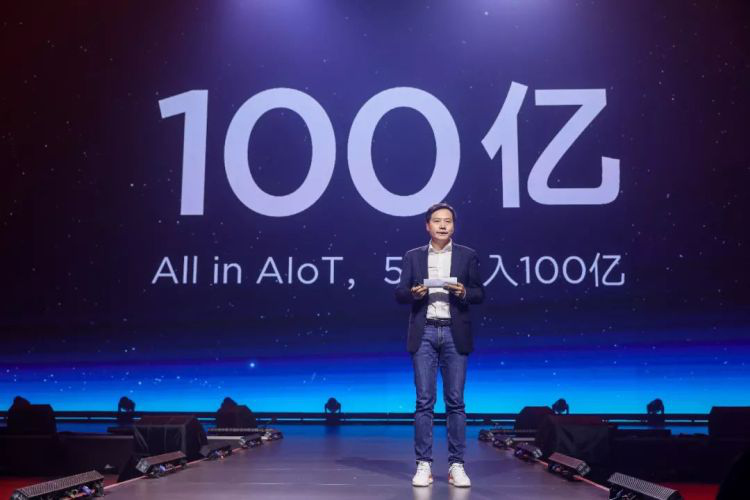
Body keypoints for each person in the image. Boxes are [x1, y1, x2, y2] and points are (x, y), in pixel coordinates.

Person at [395, 202, 484, 488]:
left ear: (453, 226)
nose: (443, 225)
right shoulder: (413, 256)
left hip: (455, 333)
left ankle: (457, 465)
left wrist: (464, 291)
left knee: (455, 401)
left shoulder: (467, 255)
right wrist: (413, 293)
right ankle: (423, 464)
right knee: (424, 401)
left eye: (448, 221)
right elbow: (400, 292)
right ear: (428, 226)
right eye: (437, 221)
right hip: (424, 332)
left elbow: (479, 293)